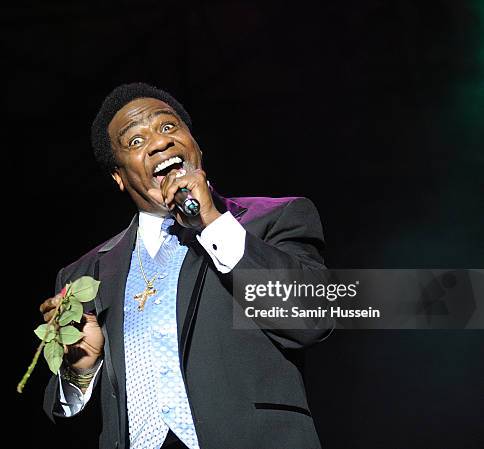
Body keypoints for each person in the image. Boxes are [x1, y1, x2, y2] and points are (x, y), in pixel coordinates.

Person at [39, 82, 331, 449]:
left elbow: (312, 319)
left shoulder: (273, 219)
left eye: (168, 127)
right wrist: (81, 368)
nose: (160, 143)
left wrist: (212, 221)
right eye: (135, 141)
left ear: (195, 144)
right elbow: (67, 418)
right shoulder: (83, 274)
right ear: (118, 176)